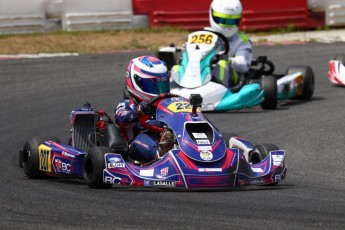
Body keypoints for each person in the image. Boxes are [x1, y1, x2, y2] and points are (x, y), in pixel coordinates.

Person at [114, 56, 172, 163]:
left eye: (162, 85)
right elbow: (120, 119)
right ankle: (160, 154)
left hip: (164, 137)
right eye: (153, 86)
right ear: (136, 81)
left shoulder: (167, 104)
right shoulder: (129, 103)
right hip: (136, 148)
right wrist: (138, 111)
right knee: (141, 139)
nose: (159, 91)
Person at [208, 0, 253, 90]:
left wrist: (228, 59)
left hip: (230, 79)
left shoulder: (241, 40)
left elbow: (244, 66)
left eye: (231, 21)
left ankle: (218, 92)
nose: (227, 25)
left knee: (222, 64)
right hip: (203, 73)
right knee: (176, 68)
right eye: (222, 20)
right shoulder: (204, 35)